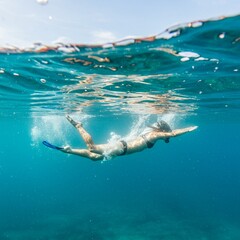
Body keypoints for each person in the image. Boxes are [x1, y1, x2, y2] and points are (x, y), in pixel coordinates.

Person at [43, 115, 198, 161]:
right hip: (121, 148)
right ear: (162, 130)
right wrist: (188, 129)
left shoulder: (151, 133)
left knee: (94, 157)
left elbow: (168, 136)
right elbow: (172, 134)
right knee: (93, 148)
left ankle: (69, 150)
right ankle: (78, 126)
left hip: (122, 148)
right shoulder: (154, 134)